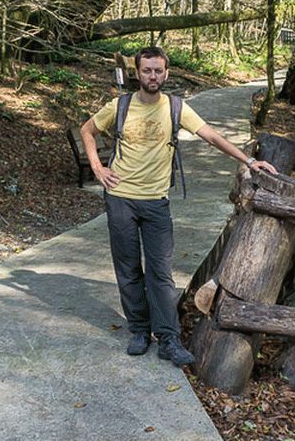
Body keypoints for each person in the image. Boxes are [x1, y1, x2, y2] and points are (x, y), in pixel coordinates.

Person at [79, 47, 278, 366]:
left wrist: (250, 160)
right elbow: (87, 130)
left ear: (166, 74)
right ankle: (140, 330)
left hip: (156, 202)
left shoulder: (175, 107)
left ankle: (168, 338)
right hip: (120, 199)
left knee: (160, 272)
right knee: (128, 269)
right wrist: (97, 168)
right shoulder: (120, 106)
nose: (153, 76)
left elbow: (211, 136)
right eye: (147, 71)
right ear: (137, 72)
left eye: (158, 71)